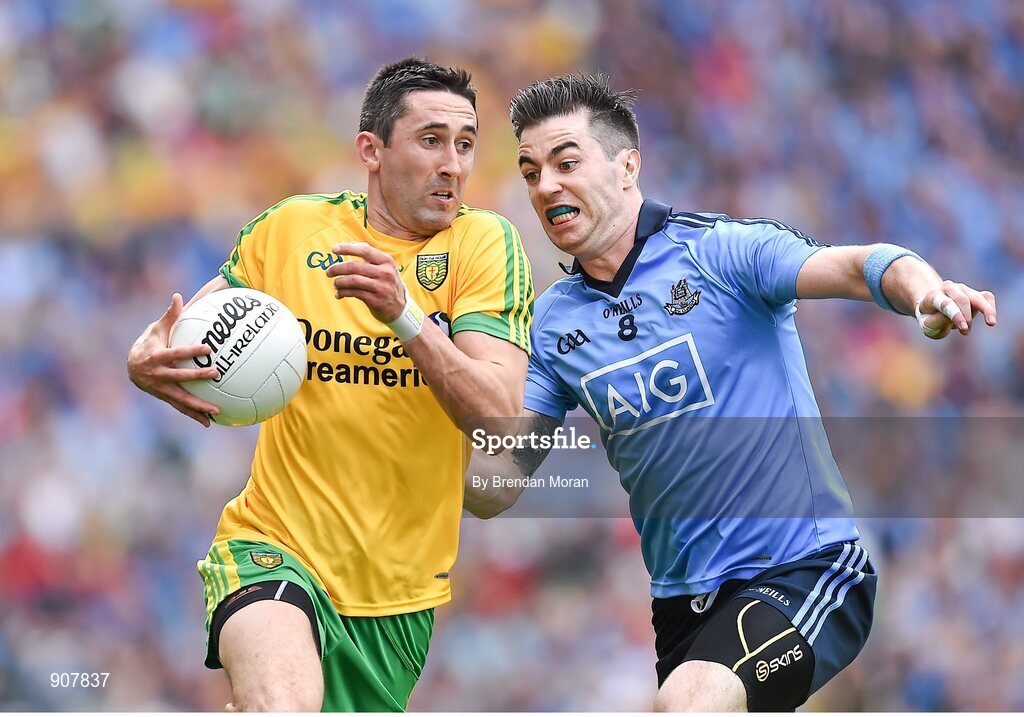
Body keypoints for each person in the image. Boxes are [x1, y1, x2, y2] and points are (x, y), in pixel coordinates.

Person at [464, 73, 997, 712]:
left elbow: (860, 265)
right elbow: (495, 484)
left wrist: (928, 294)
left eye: (566, 162)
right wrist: (422, 345)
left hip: (806, 568)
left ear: (627, 166)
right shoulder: (551, 325)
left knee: (690, 702)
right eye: (529, 172)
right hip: (682, 608)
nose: (545, 185)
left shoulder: (720, 253)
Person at [127, 57, 533, 712]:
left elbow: (500, 417)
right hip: (271, 549)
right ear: (371, 150)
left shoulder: (484, 246)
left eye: (464, 144)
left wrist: (404, 315)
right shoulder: (289, 231)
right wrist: (145, 362)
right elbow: (184, 336)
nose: (453, 164)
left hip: (396, 602)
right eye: (431, 140)